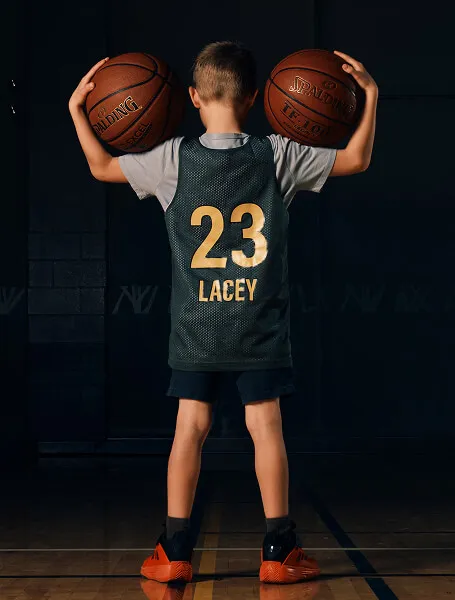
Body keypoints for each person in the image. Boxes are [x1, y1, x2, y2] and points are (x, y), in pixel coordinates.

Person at [69, 41, 378, 584]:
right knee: (266, 429)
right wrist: (370, 97)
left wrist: (77, 111)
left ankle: (174, 550)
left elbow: (99, 167)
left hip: (198, 327)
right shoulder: (279, 154)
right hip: (258, 325)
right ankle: (279, 550)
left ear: (191, 97)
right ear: (257, 98)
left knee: (190, 428)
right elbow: (357, 158)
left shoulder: (169, 161)